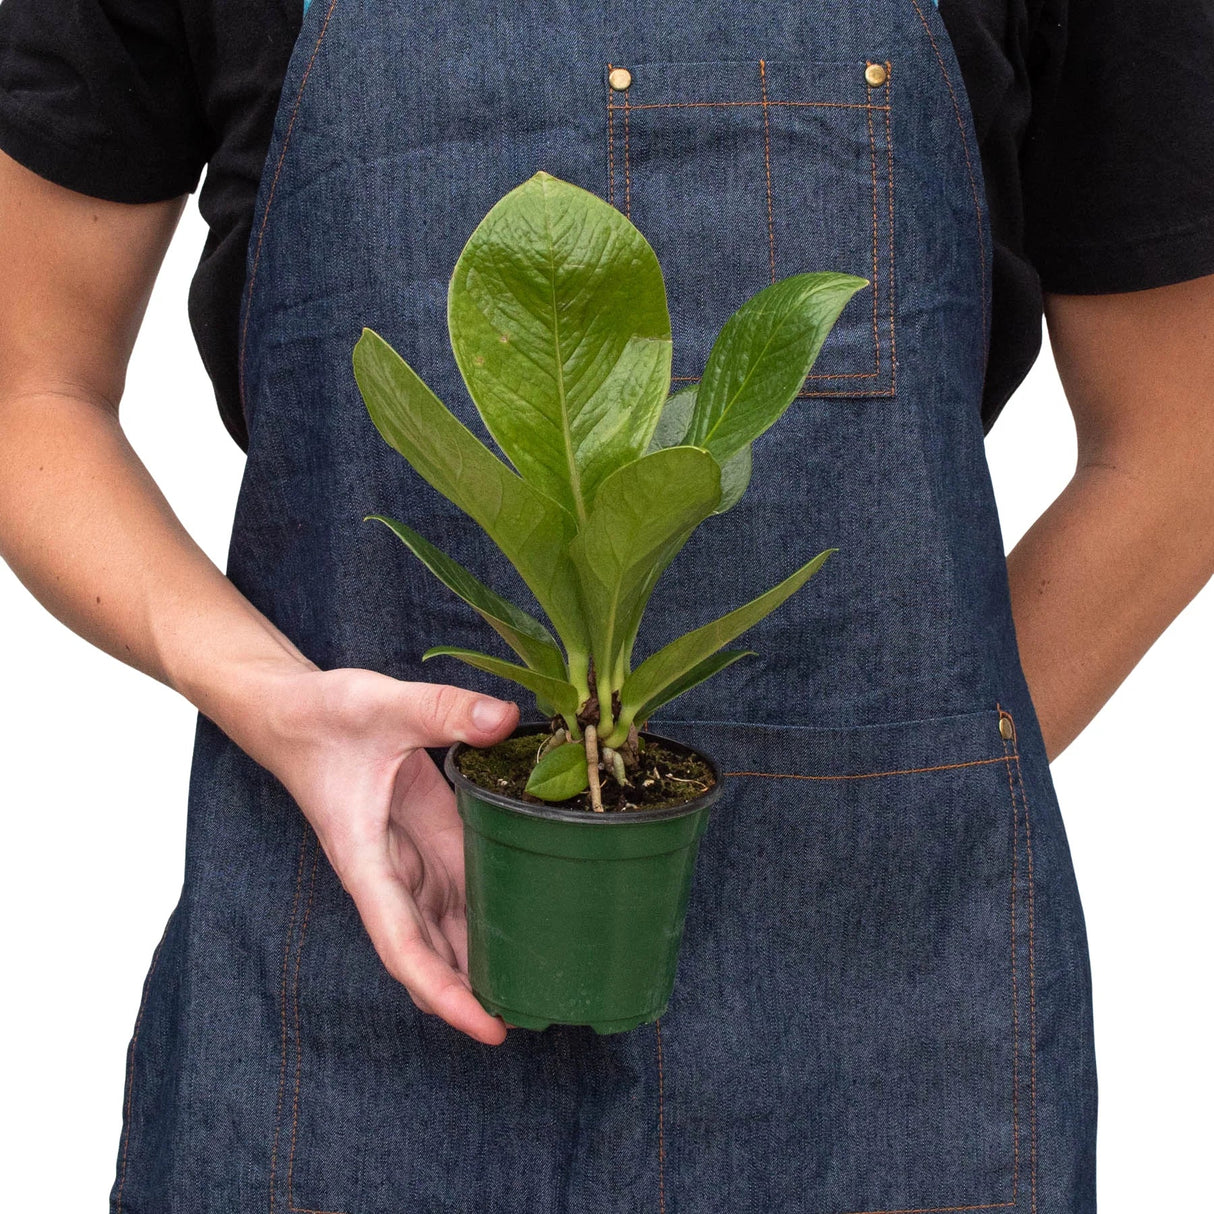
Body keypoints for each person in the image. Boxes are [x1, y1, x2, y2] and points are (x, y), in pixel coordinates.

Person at [0, 0, 1211, 1209]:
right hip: (357, 960)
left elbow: (1177, 436)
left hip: (892, 1007)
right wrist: (268, 697)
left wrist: (916, 785)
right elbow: (28, 386)